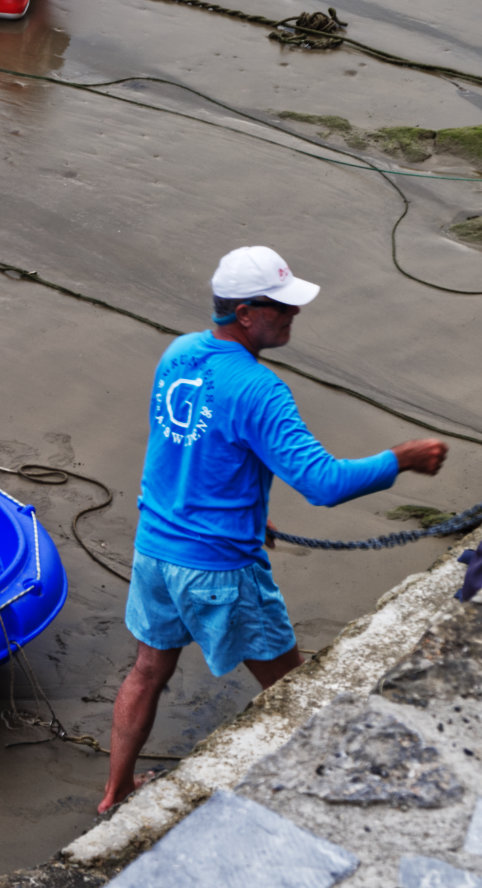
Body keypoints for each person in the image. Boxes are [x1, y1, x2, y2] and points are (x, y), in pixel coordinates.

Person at [98, 245, 448, 814]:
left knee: (147, 671)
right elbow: (323, 483)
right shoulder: (259, 390)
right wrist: (400, 459)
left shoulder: (179, 352)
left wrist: (247, 516)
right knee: (296, 686)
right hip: (217, 570)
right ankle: (339, 789)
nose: (294, 314)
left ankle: (114, 793)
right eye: (282, 307)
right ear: (245, 313)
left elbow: (183, 454)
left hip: (154, 552)